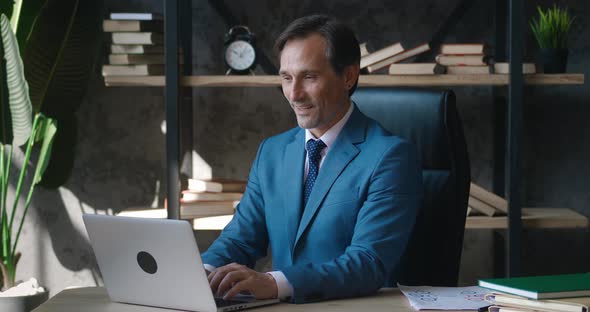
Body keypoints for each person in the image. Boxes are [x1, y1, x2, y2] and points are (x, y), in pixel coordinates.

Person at [203, 14, 422, 304]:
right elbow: (240, 238)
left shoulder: (390, 157)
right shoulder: (272, 152)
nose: (294, 94)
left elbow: (368, 263)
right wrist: (199, 272)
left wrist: (273, 283)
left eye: (309, 77)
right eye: (286, 78)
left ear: (348, 76)